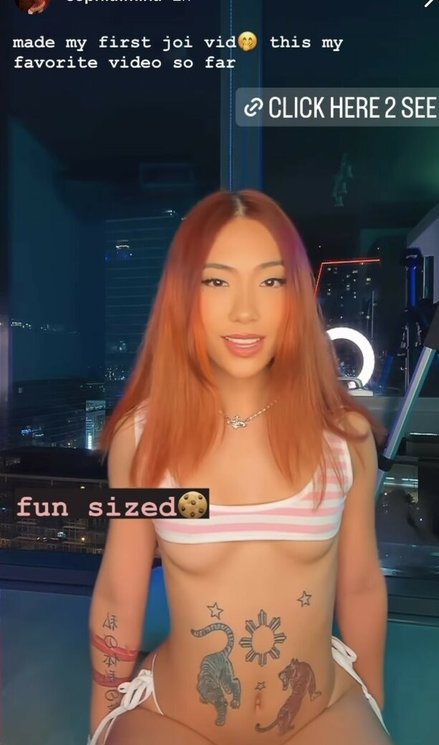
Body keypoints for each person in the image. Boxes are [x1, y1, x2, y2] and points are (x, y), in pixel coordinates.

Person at [89, 190, 394, 745]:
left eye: (271, 281)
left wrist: (371, 704)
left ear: (295, 295)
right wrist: (103, 720)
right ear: (184, 295)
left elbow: (361, 584)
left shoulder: (343, 439)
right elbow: (119, 588)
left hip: (320, 710)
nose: (246, 311)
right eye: (216, 281)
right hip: (173, 716)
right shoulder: (143, 438)